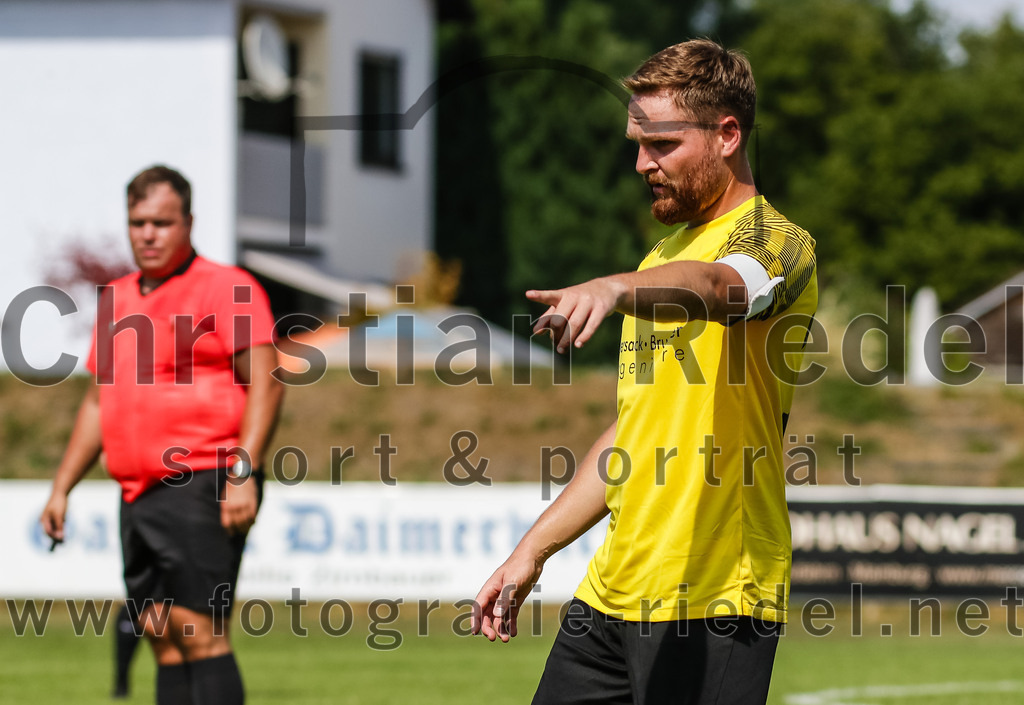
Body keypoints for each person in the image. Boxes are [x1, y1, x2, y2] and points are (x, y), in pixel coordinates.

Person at [471, 39, 818, 704]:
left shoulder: (777, 241)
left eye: (660, 144)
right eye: (637, 142)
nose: (640, 163)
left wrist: (615, 289)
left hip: (715, 595)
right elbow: (632, 434)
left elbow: (722, 288)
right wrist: (532, 550)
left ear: (726, 134)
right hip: (611, 592)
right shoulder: (661, 255)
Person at [40, 165, 284, 705]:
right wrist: (62, 487)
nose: (148, 234)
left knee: (200, 632)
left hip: (204, 477)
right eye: (137, 222)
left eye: (161, 222)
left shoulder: (227, 287)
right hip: (137, 490)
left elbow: (267, 382)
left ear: (189, 223)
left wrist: (243, 471)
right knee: (160, 633)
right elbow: (98, 402)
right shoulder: (118, 298)